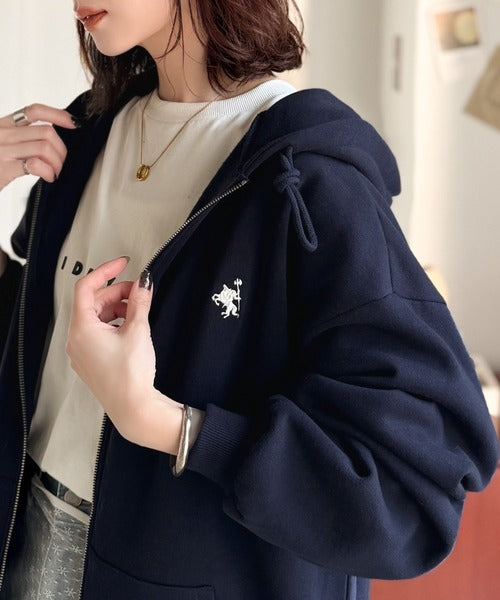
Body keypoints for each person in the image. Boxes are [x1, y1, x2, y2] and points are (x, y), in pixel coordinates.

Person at [0, 1, 498, 598]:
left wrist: (172, 427)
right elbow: (32, 338)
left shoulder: (309, 177)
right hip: (24, 545)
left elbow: (415, 487)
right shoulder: (83, 134)